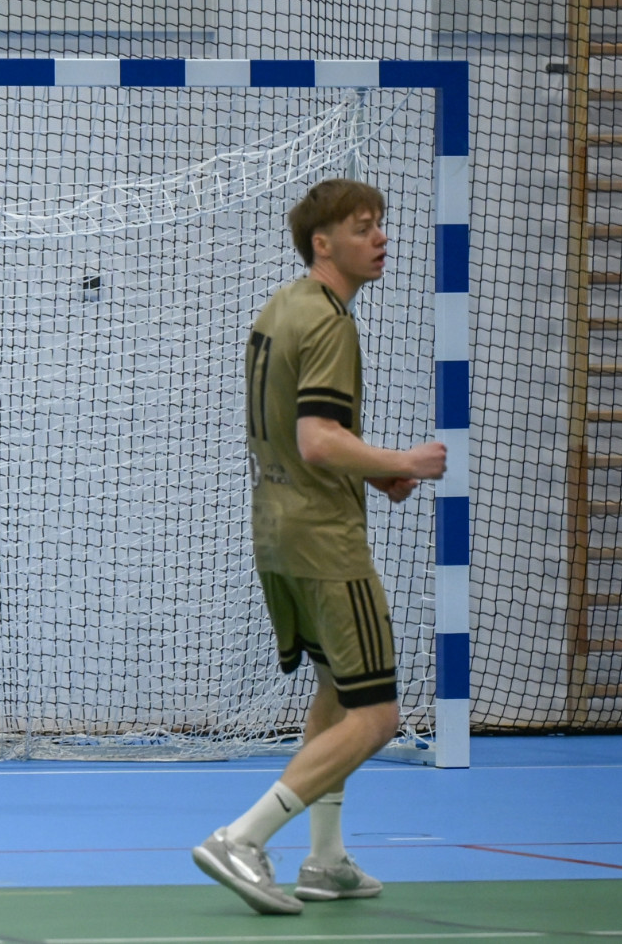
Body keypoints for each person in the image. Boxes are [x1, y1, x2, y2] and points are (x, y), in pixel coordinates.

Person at [192, 179, 447, 913]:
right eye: (363, 227)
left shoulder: (283, 305)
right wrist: (401, 460)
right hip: (326, 542)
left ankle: (325, 859)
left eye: (381, 224)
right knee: (378, 714)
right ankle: (242, 837)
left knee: (336, 691)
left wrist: (371, 471)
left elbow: (299, 433)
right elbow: (317, 439)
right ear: (322, 243)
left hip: (276, 529)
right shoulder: (332, 322)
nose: (381, 237)